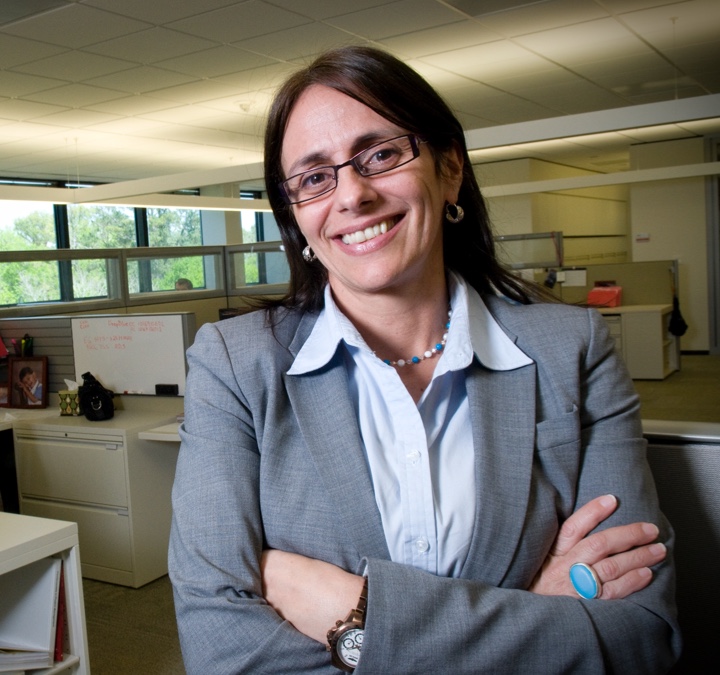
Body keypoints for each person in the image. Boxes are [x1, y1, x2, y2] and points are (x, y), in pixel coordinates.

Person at [169, 46, 680, 673]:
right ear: (297, 217)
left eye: (381, 154)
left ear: (449, 170)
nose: (351, 195)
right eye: (313, 177)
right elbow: (223, 654)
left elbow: (637, 637)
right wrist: (533, 611)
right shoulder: (236, 367)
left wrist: (352, 616)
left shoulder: (570, 350)